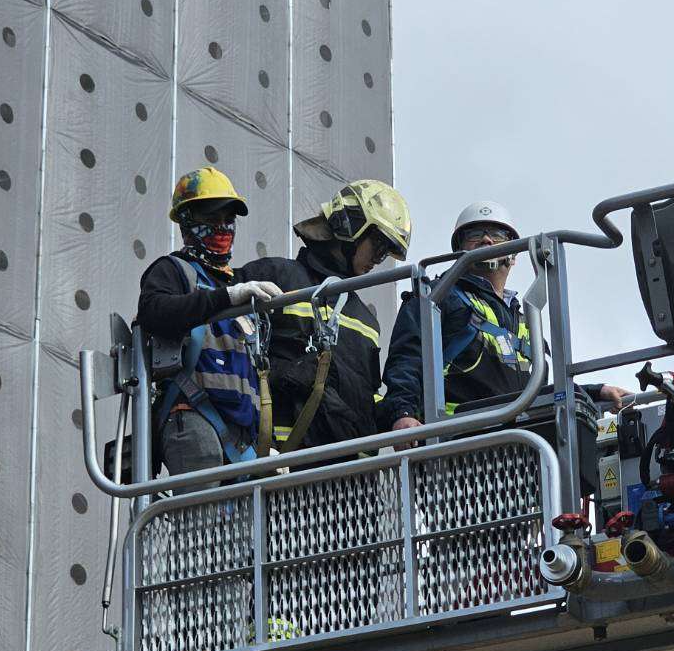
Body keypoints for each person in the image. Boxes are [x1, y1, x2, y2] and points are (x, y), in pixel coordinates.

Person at [378, 201, 629, 484]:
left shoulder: (525, 321)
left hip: (521, 459)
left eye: (497, 235)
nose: (486, 240)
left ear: (514, 254)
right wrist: (402, 413)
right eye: (475, 234)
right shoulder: (436, 299)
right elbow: (407, 359)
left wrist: (594, 393)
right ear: (459, 249)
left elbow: (539, 392)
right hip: (457, 452)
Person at [240, 180, 412, 455]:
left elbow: (363, 396)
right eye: (379, 247)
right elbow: (229, 351)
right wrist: (287, 373)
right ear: (351, 227)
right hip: (283, 460)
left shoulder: (366, 320)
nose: (378, 260)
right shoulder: (276, 278)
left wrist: (396, 418)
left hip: (349, 471)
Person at [135, 167, 282, 482]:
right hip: (193, 417)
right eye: (212, 217)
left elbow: (250, 375)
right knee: (202, 513)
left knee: (245, 516)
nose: (222, 227)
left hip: (243, 440)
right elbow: (154, 312)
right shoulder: (174, 271)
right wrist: (226, 298)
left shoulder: (239, 290)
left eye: (228, 219)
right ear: (186, 221)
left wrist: (265, 441)